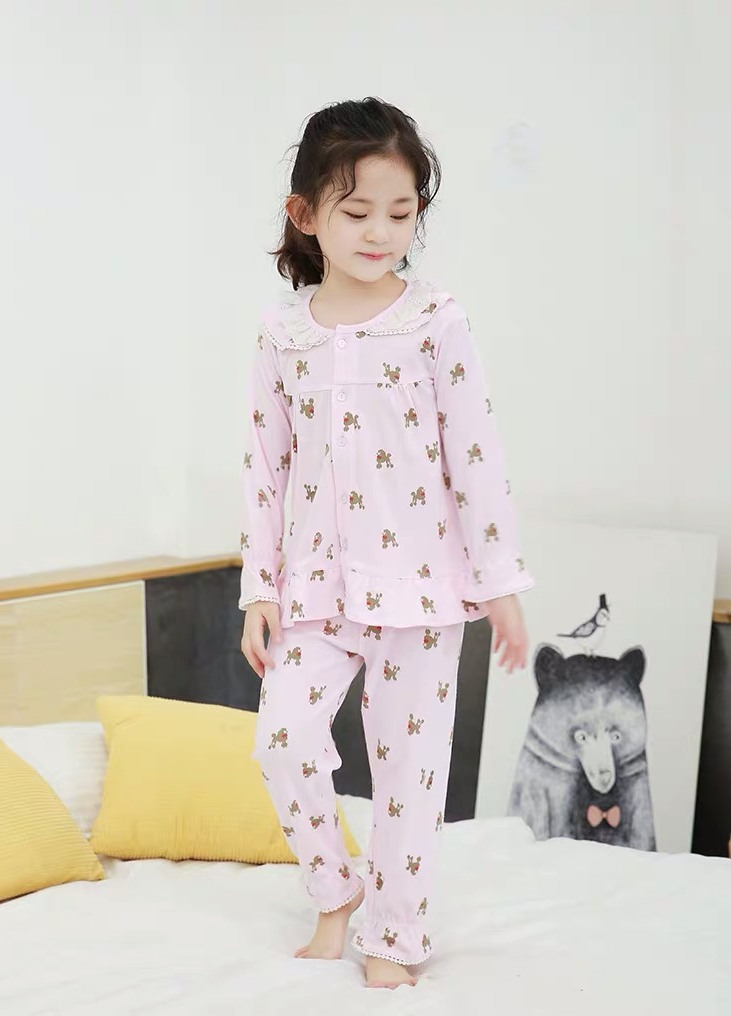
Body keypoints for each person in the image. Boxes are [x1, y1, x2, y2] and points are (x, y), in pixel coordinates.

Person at [238, 96, 533, 990]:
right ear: (306, 214)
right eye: (357, 211)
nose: (380, 233)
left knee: (409, 777)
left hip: (422, 589)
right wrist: (259, 588)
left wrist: (500, 582)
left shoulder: (435, 319)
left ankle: (393, 941)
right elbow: (264, 466)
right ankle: (335, 891)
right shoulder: (283, 333)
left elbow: (476, 452)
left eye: (401, 214)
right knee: (281, 738)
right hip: (315, 591)